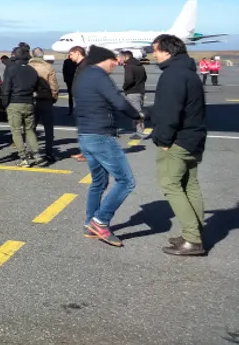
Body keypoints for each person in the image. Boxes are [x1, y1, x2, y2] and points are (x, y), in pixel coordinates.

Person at [74, 45, 144, 247]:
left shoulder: (83, 76)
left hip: (86, 135)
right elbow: (119, 102)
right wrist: (137, 115)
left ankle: (90, 223)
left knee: (99, 181)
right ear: (102, 60)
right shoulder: (99, 76)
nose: (115, 63)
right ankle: (100, 220)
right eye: (112, 60)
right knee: (126, 181)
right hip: (100, 136)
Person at [151, 34, 208, 256]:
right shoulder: (188, 72)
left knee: (170, 184)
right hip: (194, 138)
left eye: (155, 50)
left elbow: (169, 112)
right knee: (189, 185)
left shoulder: (172, 75)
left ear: (167, 51)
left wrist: (163, 140)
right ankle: (194, 233)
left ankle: (192, 239)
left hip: (178, 140)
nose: (153, 54)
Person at [0, 45, 41, 167]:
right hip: (28, 102)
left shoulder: (11, 69)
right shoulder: (32, 70)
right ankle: (36, 154)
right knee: (30, 130)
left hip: (14, 102)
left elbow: (6, 88)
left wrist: (5, 103)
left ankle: (23, 157)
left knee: (16, 131)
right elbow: (36, 87)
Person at [30, 50, 59, 164]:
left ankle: (32, 151)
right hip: (46, 99)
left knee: (31, 128)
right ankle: (49, 152)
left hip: (32, 99)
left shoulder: (28, 66)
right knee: (48, 128)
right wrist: (54, 97)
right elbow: (54, 85)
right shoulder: (48, 67)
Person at [120, 50, 148, 139]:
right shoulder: (140, 65)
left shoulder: (129, 66)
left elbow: (129, 80)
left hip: (132, 92)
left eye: (121, 57)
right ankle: (138, 129)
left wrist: (124, 87)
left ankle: (140, 133)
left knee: (137, 112)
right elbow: (145, 77)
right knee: (138, 110)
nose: (121, 59)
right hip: (141, 90)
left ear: (126, 57)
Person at [63, 46, 84, 116]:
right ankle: (71, 109)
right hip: (70, 80)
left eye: (71, 54)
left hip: (73, 80)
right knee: (71, 96)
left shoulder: (77, 62)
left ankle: (75, 109)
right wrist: (65, 79)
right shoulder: (67, 61)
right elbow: (64, 71)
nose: (70, 56)